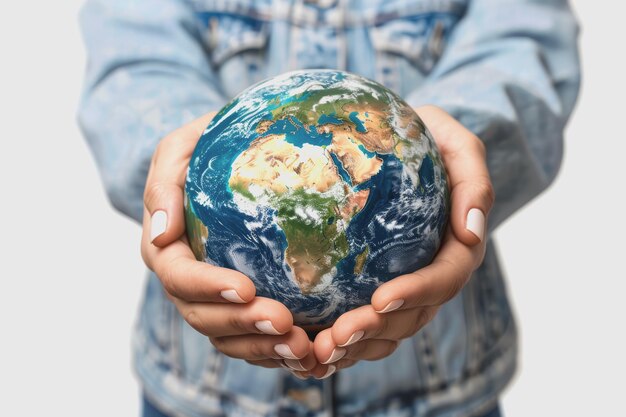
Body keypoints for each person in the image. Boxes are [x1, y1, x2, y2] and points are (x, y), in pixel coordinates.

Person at [78, 1, 580, 416]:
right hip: (197, 392)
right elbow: (133, 50)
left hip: (438, 390)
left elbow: (522, 33)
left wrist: (455, 149)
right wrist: (179, 163)